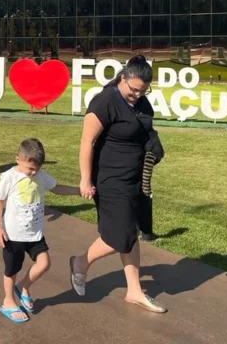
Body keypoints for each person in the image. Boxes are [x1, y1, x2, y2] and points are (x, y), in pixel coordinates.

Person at [69, 55, 167, 313]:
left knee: (131, 232)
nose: (137, 95)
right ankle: (80, 262)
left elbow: (145, 130)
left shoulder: (142, 102)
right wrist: (85, 179)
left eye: (143, 91)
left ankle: (134, 290)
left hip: (134, 177)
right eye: (133, 89)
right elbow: (86, 141)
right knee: (120, 236)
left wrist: (153, 143)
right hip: (110, 178)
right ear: (122, 78)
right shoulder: (105, 101)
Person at [0, 138, 79, 323]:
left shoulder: (41, 175)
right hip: (13, 235)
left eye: (37, 168)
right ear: (18, 160)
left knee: (44, 263)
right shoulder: (9, 177)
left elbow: (57, 189)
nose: (34, 172)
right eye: (30, 168)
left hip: (34, 233)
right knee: (11, 270)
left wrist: (79, 191)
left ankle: (23, 286)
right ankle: (8, 302)